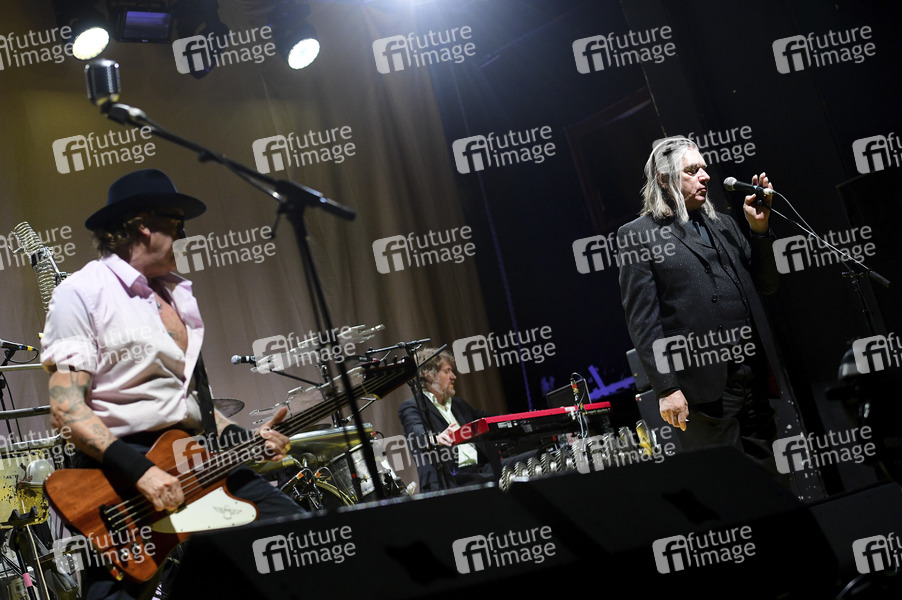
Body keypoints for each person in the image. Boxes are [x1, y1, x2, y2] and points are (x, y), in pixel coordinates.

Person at [41, 168, 304, 599]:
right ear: (144, 225)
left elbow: (188, 404)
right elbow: (66, 409)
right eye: (177, 224)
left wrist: (246, 440)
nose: (184, 235)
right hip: (120, 473)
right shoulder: (82, 292)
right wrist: (141, 472)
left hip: (191, 453)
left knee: (296, 536)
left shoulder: (176, 294)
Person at [617, 136, 783, 474]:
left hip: (750, 376)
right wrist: (667, 388)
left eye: (704, 168)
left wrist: (759, 229)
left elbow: (767, 285)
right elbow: (643, 321)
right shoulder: (638, 235)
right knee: (726, 484)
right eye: (692, 170)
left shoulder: (724, 224)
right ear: (664, 179)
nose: (705, 176)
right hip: (700, 387)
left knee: (772, 480)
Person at [397, 347, 497, 492]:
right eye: (447, 371)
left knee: (527, 459)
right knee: (499, 481)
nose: (453, 376)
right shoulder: (411, 407)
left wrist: (521, 418)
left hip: (481, 468)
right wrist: (435, 438)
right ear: (429, 375)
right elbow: (417, 432)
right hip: (450, 478)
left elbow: (488, 419)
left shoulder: (459, 404)